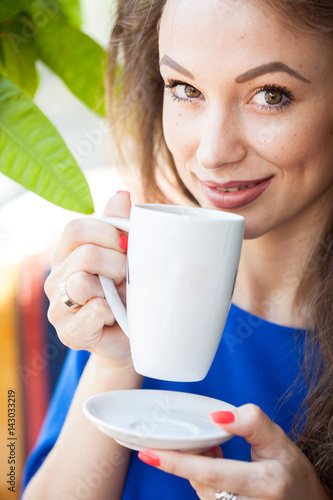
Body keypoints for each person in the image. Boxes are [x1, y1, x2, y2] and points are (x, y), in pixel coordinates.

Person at [21, 0, 333, 498]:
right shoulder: (130, 291)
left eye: (270, 95)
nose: (212, 152)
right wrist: (119, 360)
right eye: (185, 89)